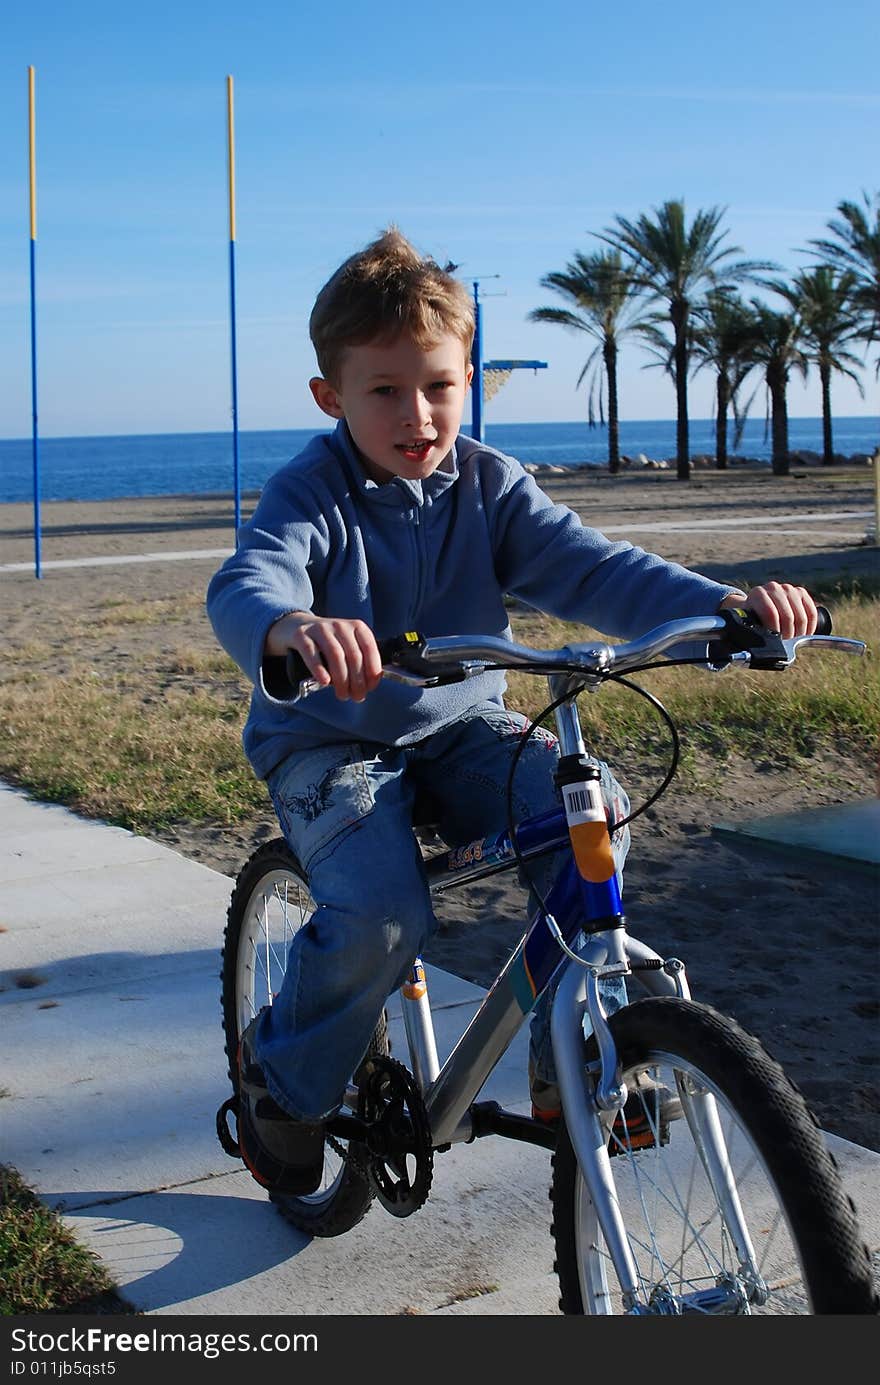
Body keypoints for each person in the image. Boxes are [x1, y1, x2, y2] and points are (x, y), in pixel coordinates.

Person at [206, 227, 818, 1194]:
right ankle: (280, 1084)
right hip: (332, 741)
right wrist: (291, 628)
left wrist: (723, 608)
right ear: (331, 396)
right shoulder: (309, 493)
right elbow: (248, 579)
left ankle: (568, 1063)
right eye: (385, 391)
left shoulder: (489, 484)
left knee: (591, 810)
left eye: (440, 386)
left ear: (469, 380)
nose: (419, 413)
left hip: (463, 727)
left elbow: (594, 567)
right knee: (379, 914)